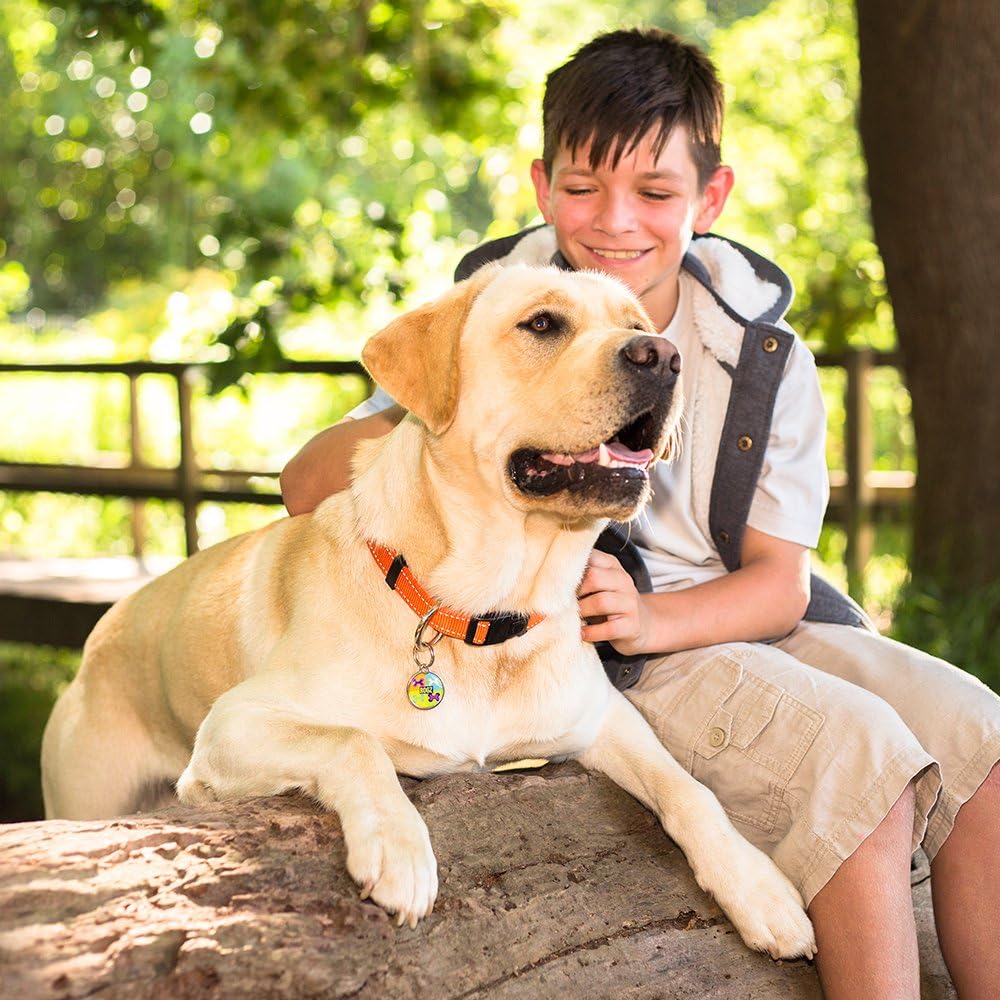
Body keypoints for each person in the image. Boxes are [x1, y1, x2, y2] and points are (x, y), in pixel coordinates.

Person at [280, 28, 1000, 999]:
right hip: (601, 652)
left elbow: (780, 585)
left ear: (710, 197)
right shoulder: (500, 309)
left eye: (656, 193)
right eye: (583, 187)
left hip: (730, 611)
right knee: (859, 759)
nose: (616, 221)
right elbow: (305, 481)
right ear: (542, 187)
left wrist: (661, 612)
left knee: (981, 735)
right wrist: (455, 403)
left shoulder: (759, 348)